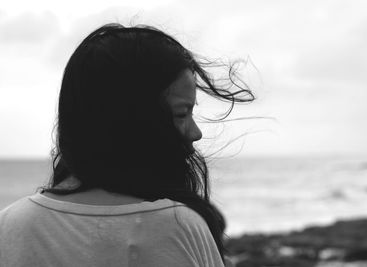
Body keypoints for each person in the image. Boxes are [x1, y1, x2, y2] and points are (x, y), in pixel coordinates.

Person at [0, 22, 254, 266]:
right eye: (181, 113)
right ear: (131, 120)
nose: (195, 133)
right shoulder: (177, 226)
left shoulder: (10, 225)